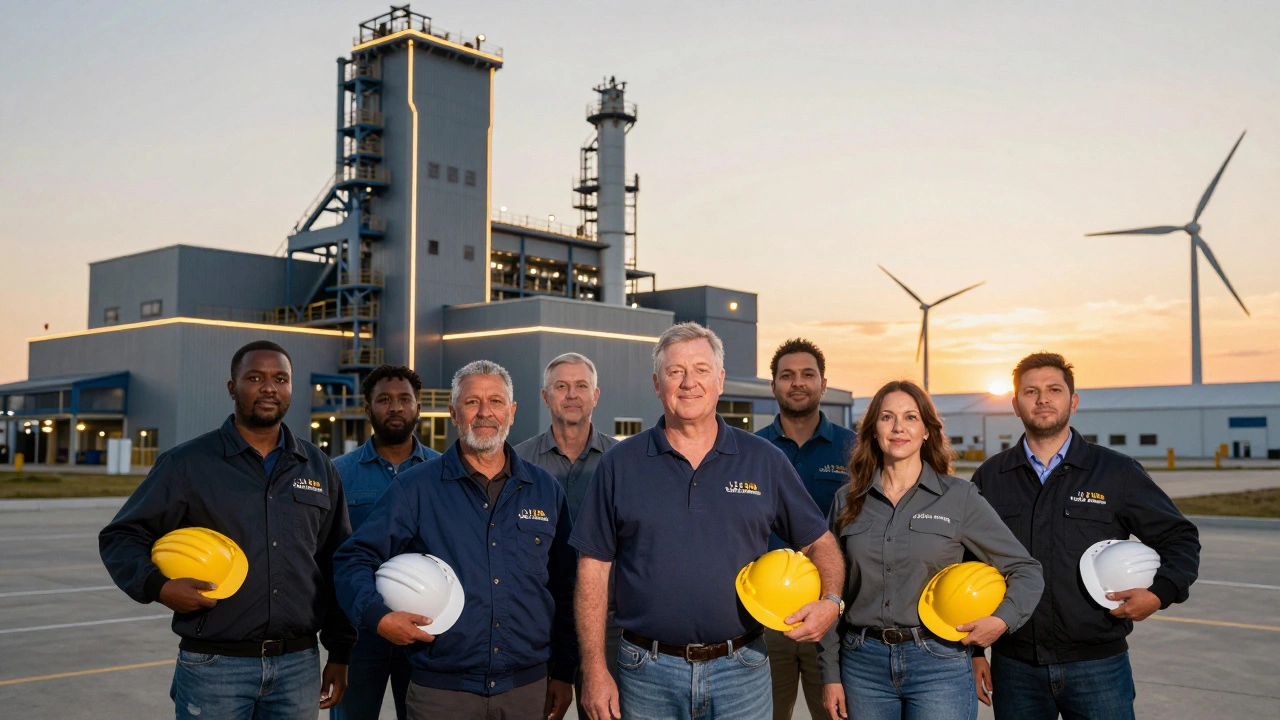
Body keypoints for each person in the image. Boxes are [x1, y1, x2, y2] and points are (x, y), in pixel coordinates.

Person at [571, 322, 846, 720]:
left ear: (720, 381)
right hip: (645, 672)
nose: (688, 383)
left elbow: (820, 543)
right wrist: (595, 670)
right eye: (675, 371)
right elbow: (592, 571)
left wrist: (831, 602)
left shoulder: (764, 459)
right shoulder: (619, 464)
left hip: (742, 669)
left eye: (701, 370)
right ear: (656, 383)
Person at [99, 340, 355, 720]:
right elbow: (122, 536)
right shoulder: (187, 464)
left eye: (280, 379)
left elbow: (337, 562)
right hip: (215, 665)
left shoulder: (318, 468)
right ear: (232, 388)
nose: (269, 387)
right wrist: (159, 586)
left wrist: (340, 652)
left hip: (298, 666)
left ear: (290, 389)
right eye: (255, 377)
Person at [333, 360, 577, 720]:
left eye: (495, 401)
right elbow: (353, 558)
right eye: (471, 402)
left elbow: (566, 586)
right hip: (441, 693)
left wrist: (565, 670)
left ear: (511, 412)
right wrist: (378, 617)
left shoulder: (544, 490)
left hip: (526, 690)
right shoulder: (416, 488)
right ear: (453, 413)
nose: (484, 413)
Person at [969, 353, 1200, 720]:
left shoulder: (1115, 472)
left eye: (1054, 390)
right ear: (1015, 404)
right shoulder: (991, 477)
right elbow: (970, 566)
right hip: (1015, 666)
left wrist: (1159, 593)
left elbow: (1179, 537)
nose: (1043, 399)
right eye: (1031, 391)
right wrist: (976, 653)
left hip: (1098, 665)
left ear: (1072, 402)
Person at [818, 380, 1043, 720]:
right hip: (862, 664)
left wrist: (1001, 621)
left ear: (926, 430)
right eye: (887, 417)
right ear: (873, 430)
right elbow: (830, 592)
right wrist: (830, 674)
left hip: (939, 663)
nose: (898, 427)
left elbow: (1025, 570)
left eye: (910, 417)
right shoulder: (847, 500)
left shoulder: (959, 497)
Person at [331, 365, 441, 720]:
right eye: (384, 400)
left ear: (418, 407)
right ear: (368, 409)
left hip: (427, 627)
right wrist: (337, 646)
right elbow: (328, 555)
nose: (395, 407)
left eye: (404, 399)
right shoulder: (338, 472)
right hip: (360, 632)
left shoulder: (444, 472)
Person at [755, 338, 857, 720]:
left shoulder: (854, 449)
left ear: (823, 384)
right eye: (787, 376)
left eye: (807, 375)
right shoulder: (750, 449)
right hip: (766, 617)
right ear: (774, 386)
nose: (797, 383)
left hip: (834, 616)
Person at [514, 353, 620, 710]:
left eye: (581, 386)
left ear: (596, 395)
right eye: (561, 387)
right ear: (546, 397)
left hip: (610, 626)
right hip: (538, 625)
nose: (571, 395)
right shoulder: (517, 463)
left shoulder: (623, 462)